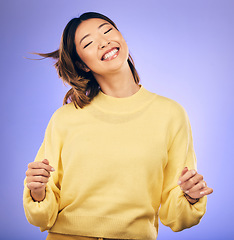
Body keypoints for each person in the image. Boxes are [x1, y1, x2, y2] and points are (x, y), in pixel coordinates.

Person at [23, 12, 213, 240]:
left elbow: (175, 214)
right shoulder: (64, 119)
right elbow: (43, 217)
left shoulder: (171, 114)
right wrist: (37, 190)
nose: (104, 42)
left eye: (107, 31)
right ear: (82, 64)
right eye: (89, 42)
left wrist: (190, 196)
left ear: (121, 37)